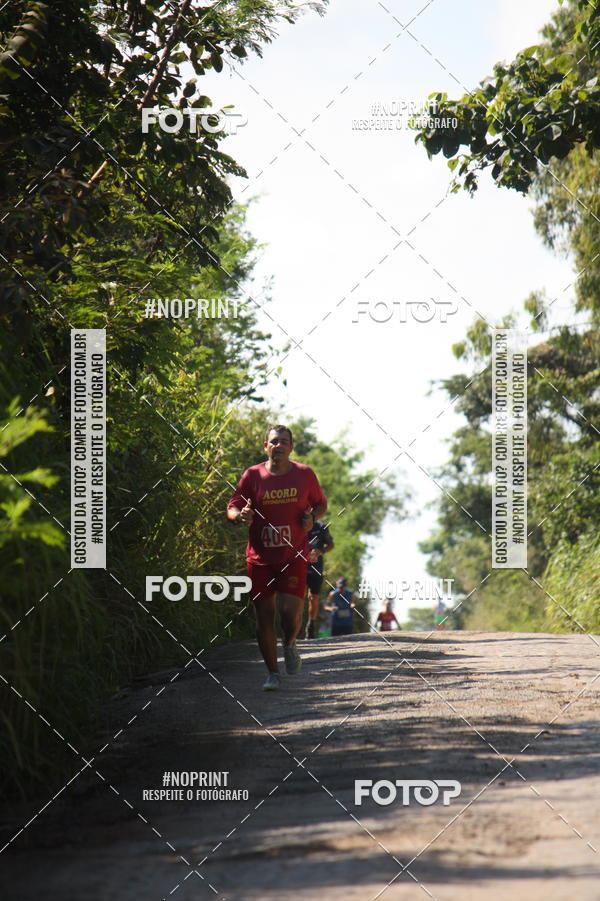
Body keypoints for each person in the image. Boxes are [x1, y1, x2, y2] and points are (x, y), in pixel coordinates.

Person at [227, 424, 327, 691]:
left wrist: (312, 519)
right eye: (274, 441)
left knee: (288, 613)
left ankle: (291, 642)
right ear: (266, 446)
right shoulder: (253, 476)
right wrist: (240, 516)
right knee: (264, 614)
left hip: (294, 555)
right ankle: (272, 672)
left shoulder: (304, 475)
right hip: (260, 558)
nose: (278, 445)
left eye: (284, 441)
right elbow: (233, 506)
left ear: (291, 447)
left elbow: (321, 504)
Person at [304, 519, 334, 639]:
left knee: (313, 597)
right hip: (298, 564)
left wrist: (320, 551)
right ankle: (294, 626)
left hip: (316, 566)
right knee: (298, 595)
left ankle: (311, 624)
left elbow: (331, 545)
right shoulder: (295, 522)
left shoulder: (321, 526)